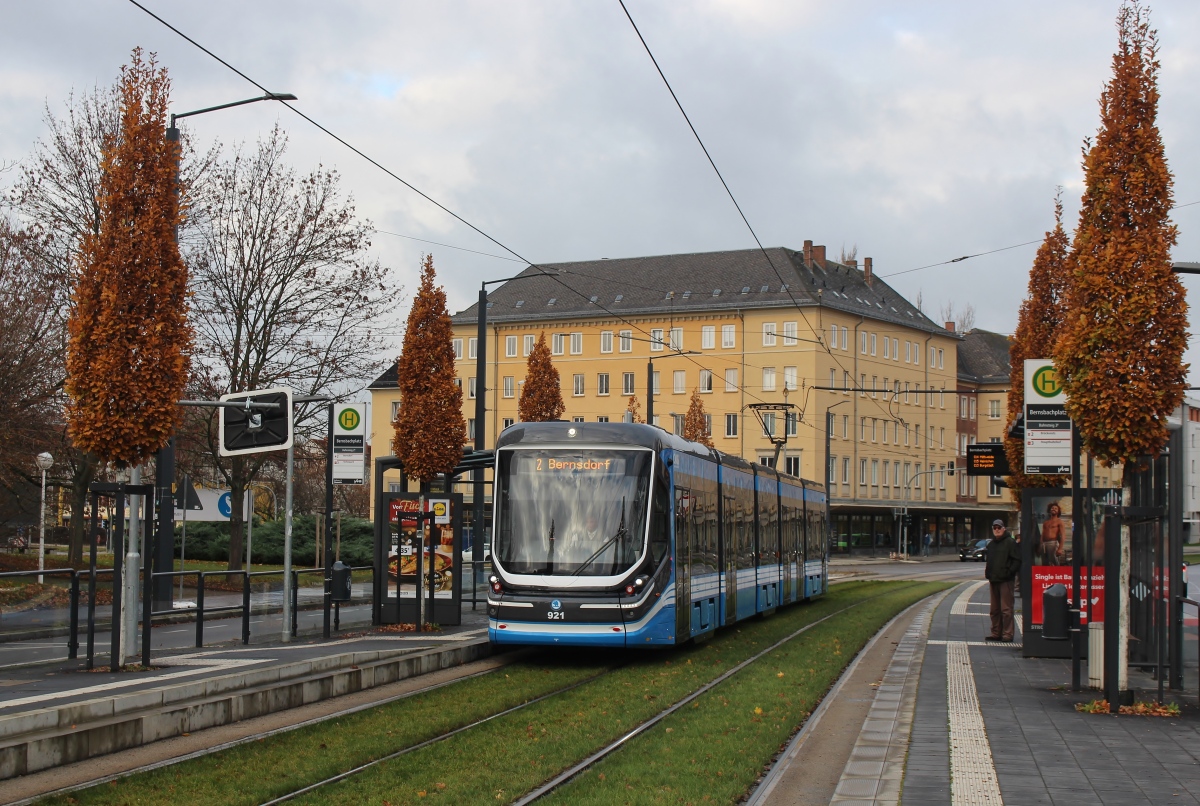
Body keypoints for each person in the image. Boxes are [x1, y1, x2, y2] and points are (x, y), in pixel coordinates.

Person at [985, 519, 1020, 642]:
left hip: (1006, 580)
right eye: (994, 528)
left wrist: (1009, 572)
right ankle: (996, 633)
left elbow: (1017, 560)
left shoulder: (1010, 543)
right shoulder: (991, 545)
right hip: (994, 580)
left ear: (1004, 528)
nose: (997, 530)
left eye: (999, 527)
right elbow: (989, 561)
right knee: (994, 610)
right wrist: (988, 574)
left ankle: (1007, 634)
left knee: (1006, 609)